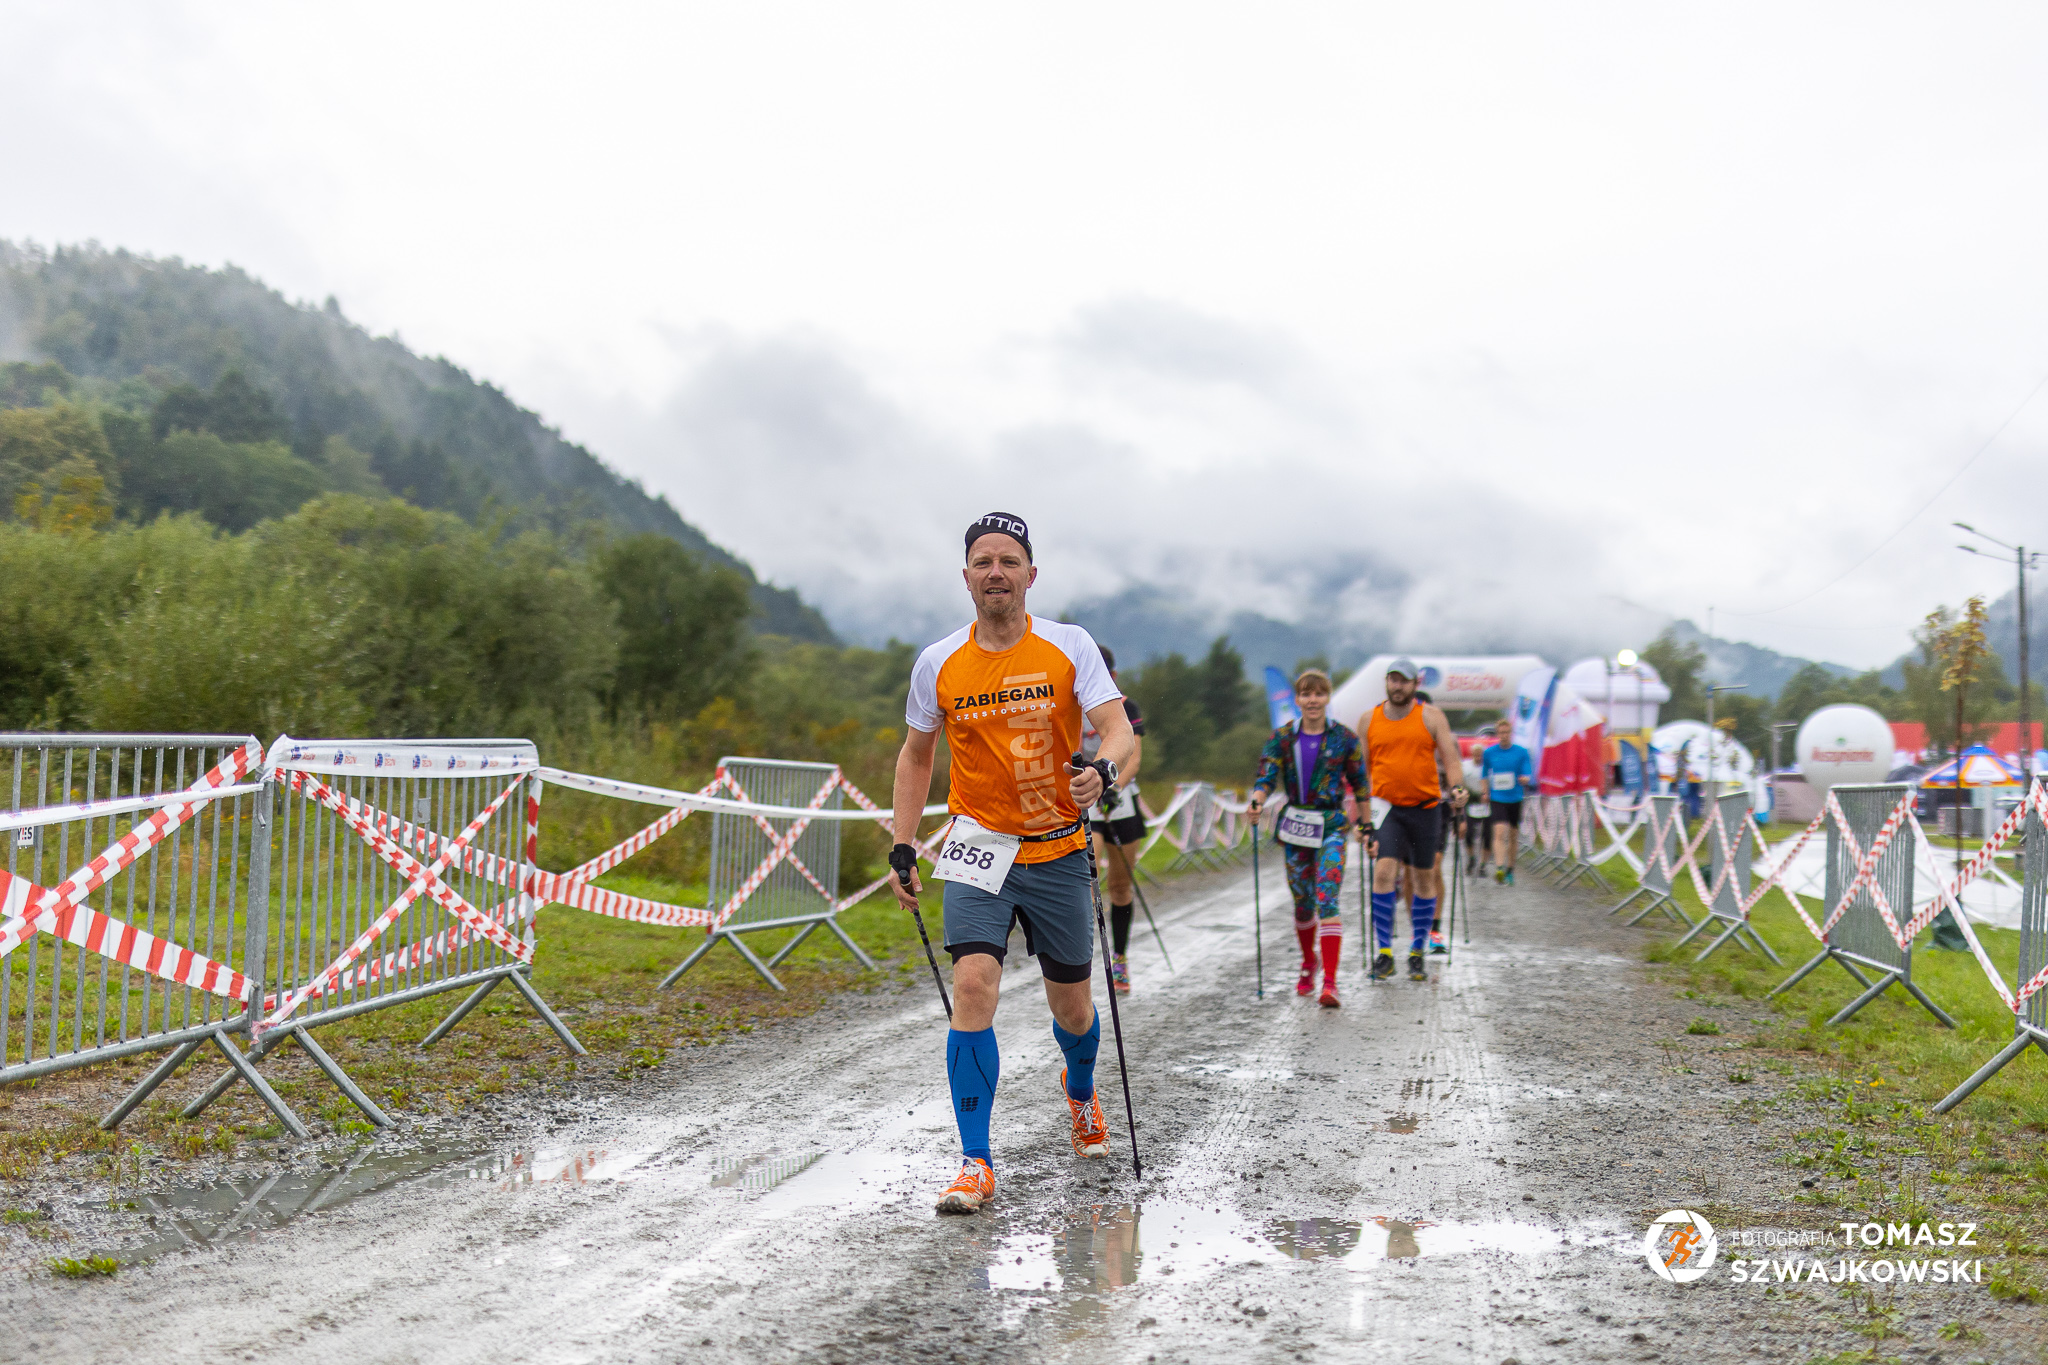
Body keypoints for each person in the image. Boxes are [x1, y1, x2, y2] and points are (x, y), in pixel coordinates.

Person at [889, 513, 1138, 1216]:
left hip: (1058, 846)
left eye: (1008, 560)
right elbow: (916, 755)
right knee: (973, 985)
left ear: (1031, 574)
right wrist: (903, 843)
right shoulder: (939, 662)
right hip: (979, 846)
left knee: (1073, 1008)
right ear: (966, 577)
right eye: (982, 561)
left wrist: (1103, 772)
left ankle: (1080, 1092)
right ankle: (975, 1162)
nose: (995, 572)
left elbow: (1117, 728)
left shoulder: (1069, 645)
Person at [1246, 669, 1368, 1008]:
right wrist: (1257, 801)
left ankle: (1330, 981)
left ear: (1327, 697)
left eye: (1319, 693)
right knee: (1303, 904)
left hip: (1331, 825)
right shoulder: (1283, 737)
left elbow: (1360, 784)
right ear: (1297, 699)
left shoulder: (1344, 738)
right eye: (1305, 694)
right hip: (1296, 826)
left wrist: (1367, 825)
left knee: (1327, 898)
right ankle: (1308, 961)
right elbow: (1266, 775)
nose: (1312, 700)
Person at [1361, 659, 1469, 981]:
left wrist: (1458, 788)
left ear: (1414, 684)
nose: (1398, 687)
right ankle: (1384, 953)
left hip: (1425, 807)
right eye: (1393, 680)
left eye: (1404, 681)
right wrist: (1360, 816)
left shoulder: (1431, 716)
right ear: (1386, 682)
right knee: (1384, 872)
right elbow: (1361, 772)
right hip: (1386, 808)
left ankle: (1417, 951)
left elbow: (1451, 760)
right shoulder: (1369, 719)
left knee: (1424, 878)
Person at [1080, 645, 1147, 994]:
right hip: (1084, 797)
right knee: (1085, 880)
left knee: (1120, 886)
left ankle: (1120, 958)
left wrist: (1113, 784)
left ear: (1114, 677)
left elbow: (1133, 756)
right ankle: (1081, 964)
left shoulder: (1126, 706)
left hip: (1119, 797)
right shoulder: (1071, 704)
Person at [1479, 717, 1534, 885]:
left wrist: (1525, 778)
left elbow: (1527, 772)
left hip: (1515, 798)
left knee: (1512, 835)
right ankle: (1499, 868)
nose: (1504, 735)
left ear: (1511, 733)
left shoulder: (1521, 752)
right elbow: (1484, 775)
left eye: (1507, 732)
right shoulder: (1489, 753)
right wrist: (1485, 792)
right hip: (1497, 798)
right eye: (1501, 733)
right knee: (1499, 832)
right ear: (1497, 734)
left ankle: (1510, 868)